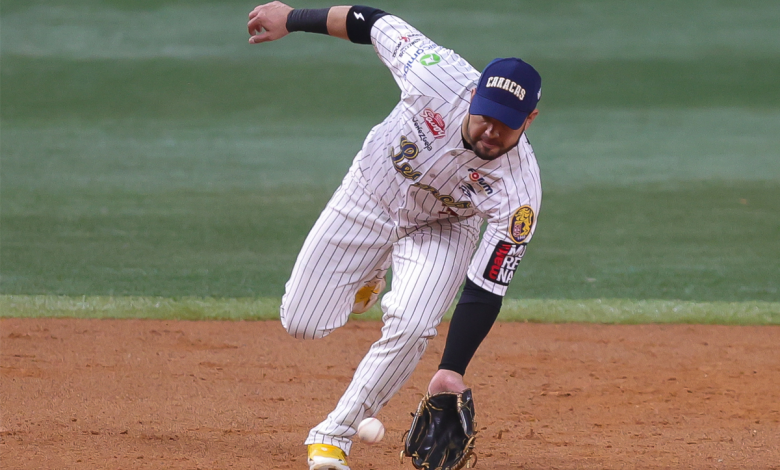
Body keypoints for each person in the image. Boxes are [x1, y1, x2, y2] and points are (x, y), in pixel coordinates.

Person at [247, 3, 542, 469]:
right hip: (371, 193)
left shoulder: (519, 190)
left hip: (444, 228)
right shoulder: (435, 74)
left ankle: (333, 435)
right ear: (473, 96)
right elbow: (371, 22)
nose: (491, 130)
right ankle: (372, 273)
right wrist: (292, 18)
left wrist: (451, 369)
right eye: (486, 115)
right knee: (302, 322)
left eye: (507, 124)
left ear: (530, 119)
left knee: (413, 324)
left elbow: (486, 286)